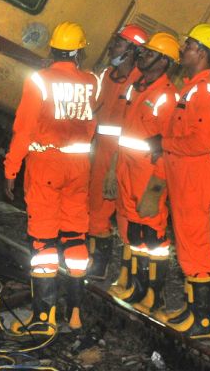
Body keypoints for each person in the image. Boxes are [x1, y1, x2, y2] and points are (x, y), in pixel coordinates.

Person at [4, 21, 100, 335]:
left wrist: (11, 170)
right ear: (79, 52)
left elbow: (23, 130)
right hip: (78, 167)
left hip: (47, 165)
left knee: (43, 241)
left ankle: (44, 320)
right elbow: (89, 124)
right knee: (75, 237)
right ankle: (75, 314)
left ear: (53, 49)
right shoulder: (90, 82)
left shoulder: (40, 81)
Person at [155, 23, 210, 339]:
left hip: (194, 176)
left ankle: (203, 320)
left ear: (201, 50)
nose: (182, 49)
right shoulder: (192, 87)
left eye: (187, 45)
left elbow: (202, 141)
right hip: (184, 175)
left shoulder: (205, 91)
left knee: (196, 250)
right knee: (187, 249)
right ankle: (192, 311)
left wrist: (164, 143)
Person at [108, 31, 180, 317]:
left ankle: (155, 295)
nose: (143, 55)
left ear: (164, 61)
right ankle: (137, 288)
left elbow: (167, 145)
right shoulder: (138, 87)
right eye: (145, 52)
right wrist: (113, 168)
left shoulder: (167, 96)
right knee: (135, 234)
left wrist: (156, 187)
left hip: (148, 174)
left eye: (150, 53)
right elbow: (126, 131)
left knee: (155, 241)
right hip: (128, 169)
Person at [87, 24, 149, 278]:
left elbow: (131, 129)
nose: (114, 46)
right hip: (99, 149)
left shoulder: (138, 84)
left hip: (120, 156)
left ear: (133, 51)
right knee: (94, 206)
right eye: (116, 41)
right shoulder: (106, 75)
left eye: (121, 43)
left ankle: (126, 272)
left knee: (118, 212)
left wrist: (114, 167)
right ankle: (96, 264)